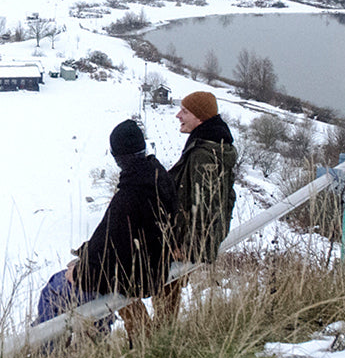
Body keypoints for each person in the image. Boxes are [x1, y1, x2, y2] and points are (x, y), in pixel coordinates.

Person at [34, 119, 178, 341]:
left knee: (53, 290)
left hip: (134, 278)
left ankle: (48, 353)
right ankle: (95, 341)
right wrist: (86, 256)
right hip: (155, 269)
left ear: (118, 157)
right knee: (85, 290)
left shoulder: (129, 197)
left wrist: (81, 274)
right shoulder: (159, 177)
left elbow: (115, 251)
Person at [154, 90, 238, 323]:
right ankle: (160, 335)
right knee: (167, 290)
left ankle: (157, 339)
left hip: (185, 243)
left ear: (200, 117)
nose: (178, 115)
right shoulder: (214, 145)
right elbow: (227, 196)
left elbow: (206, 205)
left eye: (185, 111)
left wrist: (190, 246)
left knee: (164, 289)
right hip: (187, 237)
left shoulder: (204, 154)